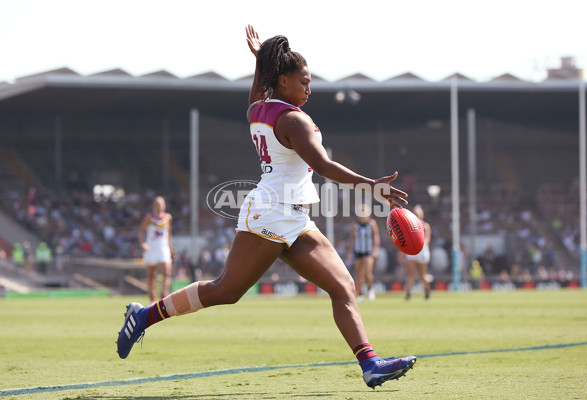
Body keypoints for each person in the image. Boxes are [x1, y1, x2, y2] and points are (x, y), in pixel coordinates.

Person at [117, 25, 416, 389]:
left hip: (294, 215)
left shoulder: (258, 110)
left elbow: (260, 90)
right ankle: (144, 315)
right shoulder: (293, 120)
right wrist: (371, 186)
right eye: (303, 81)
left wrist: (260, 59)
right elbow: (322, 166)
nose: (309, 88)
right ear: (284, 80)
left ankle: (370, 364)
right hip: (272, 214)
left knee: (344, 286)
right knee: (226, 291)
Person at [138, 196, 174, 302]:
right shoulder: (149, 217)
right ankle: (152, 298)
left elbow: (169, 234)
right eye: (157, 204)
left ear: (164, 206)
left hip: (163, 248)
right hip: (151, 248)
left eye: (161, 204)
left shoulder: (168, 217)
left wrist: (170, 248)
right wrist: (142, 243)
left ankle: (163, 296)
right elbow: (141, 231)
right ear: (154, 206)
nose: (159, 206)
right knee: (151, 275)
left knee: (166, 272)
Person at [346, 203, 380, 302]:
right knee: (359, 273)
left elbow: (376, 238)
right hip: (358, 252)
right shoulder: (355, 225)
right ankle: (360, 293)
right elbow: (352, 239)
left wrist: (375, 250)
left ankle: (370, 289)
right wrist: (349, 252)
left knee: (367, 272)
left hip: (368, 252)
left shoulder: (372, 224)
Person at [404, 205, 432, 300]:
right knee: (411, 274)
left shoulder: (425, 225)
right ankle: (408, 294)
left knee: (422, 275)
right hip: (411, 251)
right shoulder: (408, 225)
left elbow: (427, 239)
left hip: (422, 250)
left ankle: (427, 289)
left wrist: (419, 243)